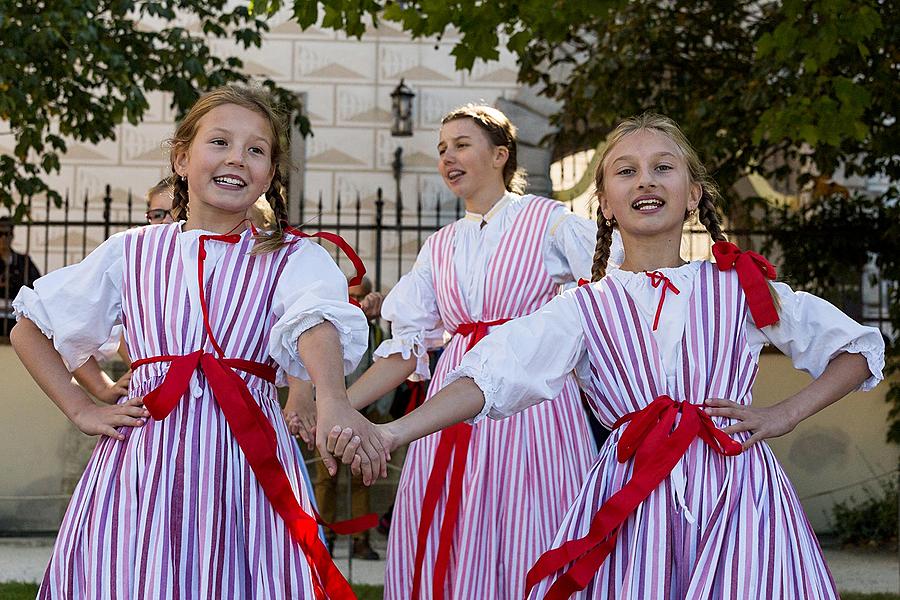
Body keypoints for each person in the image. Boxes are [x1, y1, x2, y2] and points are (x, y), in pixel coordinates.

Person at [334, 113, 886, 599]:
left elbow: (856, 348)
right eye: (626, 171)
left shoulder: (738, 286)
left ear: (693, 193)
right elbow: (489, 375)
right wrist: (392, 433)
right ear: (605, 202)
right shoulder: (583, 308)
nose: (645, 179)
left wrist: (783, 414)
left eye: (662, 168)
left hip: (735, 493)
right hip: (629, 496)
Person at [11, 84, 387, 599]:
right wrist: (82, 406)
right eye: (220, 142)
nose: (238, 157)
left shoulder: (294, 257)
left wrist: (333, 400)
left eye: (256, 150)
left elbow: (314, 320)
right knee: (135, 575)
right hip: (144, 463)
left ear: (269, 175)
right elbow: (30, 327)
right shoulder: (130, 252)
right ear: (182, 157)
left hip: (246, 462)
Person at [340, 104, 624, 600]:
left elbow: (613, 284)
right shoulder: (441, 245)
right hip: (450, 405)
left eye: (461, 145)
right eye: (442, 149)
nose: (448, 156)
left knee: (526, 522)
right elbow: (408, 349)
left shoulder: (549, 221)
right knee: (448, 528)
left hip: (528, 408)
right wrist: (341, 405)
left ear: (500, 155)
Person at [283, 276, 389, 560]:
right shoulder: (325, 320)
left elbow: (383, 362)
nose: (356, 301)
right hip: (322, 411)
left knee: (361, 474)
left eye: (361, 296)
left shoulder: (372, 332)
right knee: (324, 477)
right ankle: (324, 536)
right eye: (351, 296)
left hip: (360, 411)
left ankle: (360, 539)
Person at [0, 216, 41, 335]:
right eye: (0, 234)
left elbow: (35, 288)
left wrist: (15, 283)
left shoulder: (24, 262)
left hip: (17, 320)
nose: (3, 238)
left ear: (12, 235)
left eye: (6, 234)